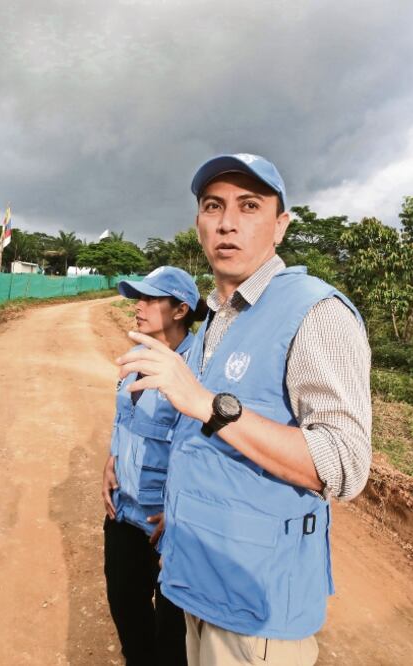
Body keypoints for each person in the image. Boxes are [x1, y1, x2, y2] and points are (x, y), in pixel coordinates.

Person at [116, 154, 372, 666]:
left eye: (249, 206)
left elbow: (345, 465)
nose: (228, 222)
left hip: (256, 610)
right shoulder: (216, 320)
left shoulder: (316, 311)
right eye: (214, 206)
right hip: (192, 582)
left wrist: (208, 404)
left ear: (280, 226)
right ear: (199, 226)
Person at [102, 266, 206, 666]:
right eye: (137, 298)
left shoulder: (198, 369)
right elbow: (124, 419)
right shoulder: (138, 356)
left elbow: (204, 449)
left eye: (149, 299)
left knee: (173, 642)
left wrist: (182, 513)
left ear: (180, 310)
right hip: (123, 515)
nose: (138, 306)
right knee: (128, 619)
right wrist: (109, 460)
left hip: (167, 531)